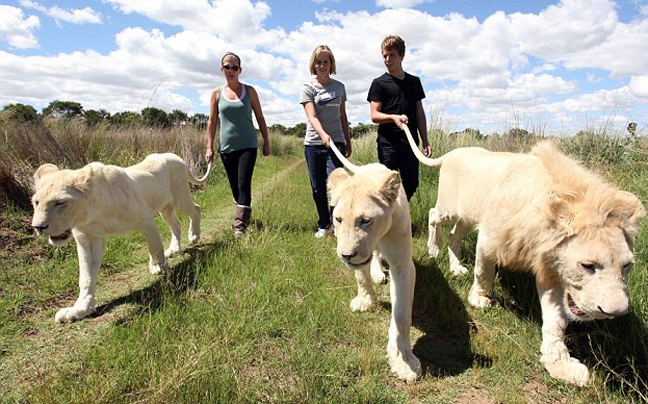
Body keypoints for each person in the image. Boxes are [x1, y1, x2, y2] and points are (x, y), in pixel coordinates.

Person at [206, 51, 271, 238]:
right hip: (226, 148)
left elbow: (260, 117)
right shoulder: (216, 94)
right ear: (222, 69)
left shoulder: (250, 91)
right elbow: (212, 122)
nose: (231, 70)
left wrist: (266, 142)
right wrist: (209, 147)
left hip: (248, 145)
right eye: (227, 67)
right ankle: (244, 213)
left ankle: (239, 226)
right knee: (235, 186)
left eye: (235, 67)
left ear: (240, 70)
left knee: (243, 184)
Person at [367, 35, 431, 201]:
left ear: (402, 55)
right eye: (384, 55)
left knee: (411, 183)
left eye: (391, 55)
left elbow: (419, 113)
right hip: (388, 142)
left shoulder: (414, 82)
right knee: (387, 184)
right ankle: (390, 222)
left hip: (410, 142)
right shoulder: (379, 83)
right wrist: (392, 118)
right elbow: (374, 115)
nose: (387, 59)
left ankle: (400, 213)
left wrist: (425, 140)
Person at [300, 45, 352, 238]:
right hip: (314, 143)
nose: (322, 65)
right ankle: (324, 224)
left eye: (326, 61)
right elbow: (312, 117)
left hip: (336, 142)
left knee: (336, 185)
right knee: (317, 187)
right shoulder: (308, 88)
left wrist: (347, 140)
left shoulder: (339, 87)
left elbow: (343, 115)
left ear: (331, 64)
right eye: (318, 62)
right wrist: (323, 135)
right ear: (313, 64)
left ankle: (336, 223)